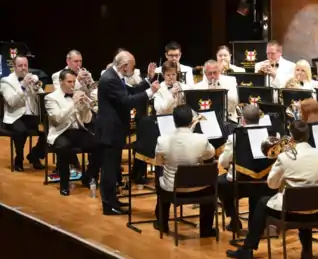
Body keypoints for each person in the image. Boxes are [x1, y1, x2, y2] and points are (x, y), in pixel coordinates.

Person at [226, 120, 318, 259]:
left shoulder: (284, 157)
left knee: (263, 203)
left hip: (291, 212)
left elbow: (272, 185)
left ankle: (248, 248)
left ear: (291, 136)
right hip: (317, 210)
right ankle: (307, 252)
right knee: (305, 196)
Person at [96, 50, 159, 215]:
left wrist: (147, 81)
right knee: (109, 169)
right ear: (124, 66)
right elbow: (126, 101)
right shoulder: (110, 79)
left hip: (115, 129)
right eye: (132, 66)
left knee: (113, 166)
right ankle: (108, 205)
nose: (133, 69)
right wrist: (150, 92)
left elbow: (129, 91)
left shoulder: (114, 76)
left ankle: (112, 200)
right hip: (110, 130)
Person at [153, 104, 216, 237]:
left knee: (160, 176)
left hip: (172, 188)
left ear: (174, 121)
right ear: (191, 120)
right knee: (211, 184)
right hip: (199, 188)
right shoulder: (201, 138)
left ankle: (162, 222)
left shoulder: (162, 139)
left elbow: (159, 162)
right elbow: (210, 155)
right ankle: (206, 229)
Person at [218, 105, 276, 232]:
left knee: (219, 183)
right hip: (265, 184)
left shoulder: (235, 136)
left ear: (243, 119)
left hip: (240, 184)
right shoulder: (272, 135)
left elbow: (223, 161)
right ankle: (257, 225)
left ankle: (234, 220)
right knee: (256, 190)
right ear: (259, 118)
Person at [45, 69, 102, 196]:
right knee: (63, 147)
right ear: (60, 82)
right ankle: (64, 184)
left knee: (98, 144)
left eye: (73, 82)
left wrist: (86, 107)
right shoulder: (51, 98)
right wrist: (73, 105)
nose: (72, 85)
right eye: (69, 82)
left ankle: (88, 176)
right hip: (60, 132)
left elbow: (86, 120)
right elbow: (57, 119)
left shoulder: (77, 94)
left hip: (77, 131)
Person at [0, 55, 45, 171]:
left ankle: (34, 155)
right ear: (14, 67)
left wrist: (36, 88)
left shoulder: (33, 78)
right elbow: (11, 101)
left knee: (49, 129)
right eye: (20, 66)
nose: (24, 68)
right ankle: (18, 159)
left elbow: (42, 97)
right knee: (21, 131)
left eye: (25, 65)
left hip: (32, 115)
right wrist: (23, 86)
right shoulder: (6, 81)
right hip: (15, 116)